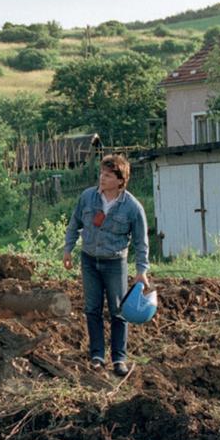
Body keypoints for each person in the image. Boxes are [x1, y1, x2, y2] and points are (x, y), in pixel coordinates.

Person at [62, 154, 150, 377]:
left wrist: (141, 271)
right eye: (102, 173)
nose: (102, 178)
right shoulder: (87, 197)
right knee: (92, 309)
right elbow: (74, 223)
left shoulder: (132, 207)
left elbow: (141, 242)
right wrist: (68, 249)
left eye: (108, 175)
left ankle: (119, 359)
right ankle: (97, 356)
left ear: (120, 180)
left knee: (118, 311)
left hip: (115, 263)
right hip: (89, 260)